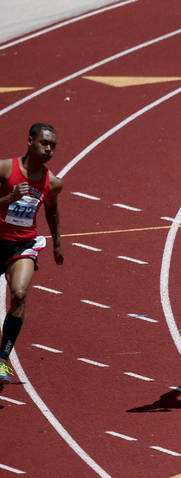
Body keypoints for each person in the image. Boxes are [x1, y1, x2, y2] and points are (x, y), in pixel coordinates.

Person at [0, 123, 64, 385]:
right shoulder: (5, 169)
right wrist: (10, 197)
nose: (48, 149)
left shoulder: (53, 183)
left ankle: (2, 360)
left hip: (22, 244)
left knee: (19, 294)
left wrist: (58, 243)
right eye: (44, 143)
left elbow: (52, 210)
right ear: (29, 141)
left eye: (53, 146)